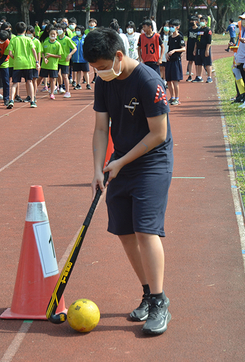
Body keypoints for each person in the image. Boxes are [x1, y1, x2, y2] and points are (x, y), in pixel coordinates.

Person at [84, 28, 173, 336]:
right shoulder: (103, 81)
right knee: (124, 232)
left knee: (145, 230)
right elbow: (100, 128)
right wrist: (98, 168)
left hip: (151, 163)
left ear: (119, 57)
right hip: (120, 162)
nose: (98, 73)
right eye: (94, 69)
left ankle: (160, 302)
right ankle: (149, 293)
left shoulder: (148, 81)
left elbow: (158, 134)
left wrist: (120, 162)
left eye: (102, 67)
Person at [8, 22, 39, 109]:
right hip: (27, 64)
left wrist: (15, 58)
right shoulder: (28, 40)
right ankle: (32, 101)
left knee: (14, 83)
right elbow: (34, 50)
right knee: (29, 82)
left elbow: (10, 53)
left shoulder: (13, 40)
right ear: (25, 31)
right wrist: (36, 61)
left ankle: (11, 100)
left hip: (17, 64)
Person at [165, 19, 185, 105]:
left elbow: (183, 48)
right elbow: (169, 48)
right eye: (170, 27)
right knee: (168, 80)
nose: (171, 28)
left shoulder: (180, 37)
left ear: (177, 27)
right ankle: (172, 97)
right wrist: (166, 54)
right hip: (169, 60)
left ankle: (177, 98)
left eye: (172, 27)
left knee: (175, 80)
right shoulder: (170, 37)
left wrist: (175, 51)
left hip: (176, 61)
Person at [39, 29, 62, 100]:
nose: (52, 35)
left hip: (53, 65)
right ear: (49, 35)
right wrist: (44, 58)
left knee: (52, 79)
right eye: (51, 34)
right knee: (40, 78)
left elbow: (59, 56)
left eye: (54, 34)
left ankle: (52, 93)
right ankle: (34, 90)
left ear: (56, 35)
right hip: (45, 65)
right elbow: (42, 52)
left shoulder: (58, 44)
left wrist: (50, 55)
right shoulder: (45, 43)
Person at [56, 24, 77, 98]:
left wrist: (69, 55)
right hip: (56, 60)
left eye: (60, 29)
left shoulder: (67, 39)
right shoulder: (56, 38)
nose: (59, 30)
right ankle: (60, 86)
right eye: (58, 29)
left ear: (64, 30)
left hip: (65, 60)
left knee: (65, 76)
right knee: (57, 75)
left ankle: (68, 91)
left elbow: (74, 48)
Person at [192, 16, 212, 83]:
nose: (202, 22)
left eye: (203, 21)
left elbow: (209, 42)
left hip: (205, 48)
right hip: (198, 49)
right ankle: (199, 77)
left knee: (207, 63)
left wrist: (207, 50)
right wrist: (195, 49)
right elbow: (196, 40)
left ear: (206, 22)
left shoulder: (208, 30)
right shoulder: (199, 30)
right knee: (199, 63)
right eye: (201, 21)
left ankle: (209, 77)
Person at [71, 25, 90, 91]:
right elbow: (71, 48)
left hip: (84, 58)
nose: (77, 31)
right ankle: (78, 84)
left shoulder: (86, 38)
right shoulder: (73, 39)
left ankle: (88, 84)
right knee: (78, 71)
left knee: (85, 72)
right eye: (76, 30)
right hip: (76, 59)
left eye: (79, 30)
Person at [185, 16, 198, 82]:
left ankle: (197, 75)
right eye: (191, 20)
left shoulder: (198, 29)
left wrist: (195, 49)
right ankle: (190, 75)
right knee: (190, 61)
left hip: (195, 47)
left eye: (193, 20)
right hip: (189, 46)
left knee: (196, 62)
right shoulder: (190, 29)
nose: (191, 22)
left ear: (196, 21)